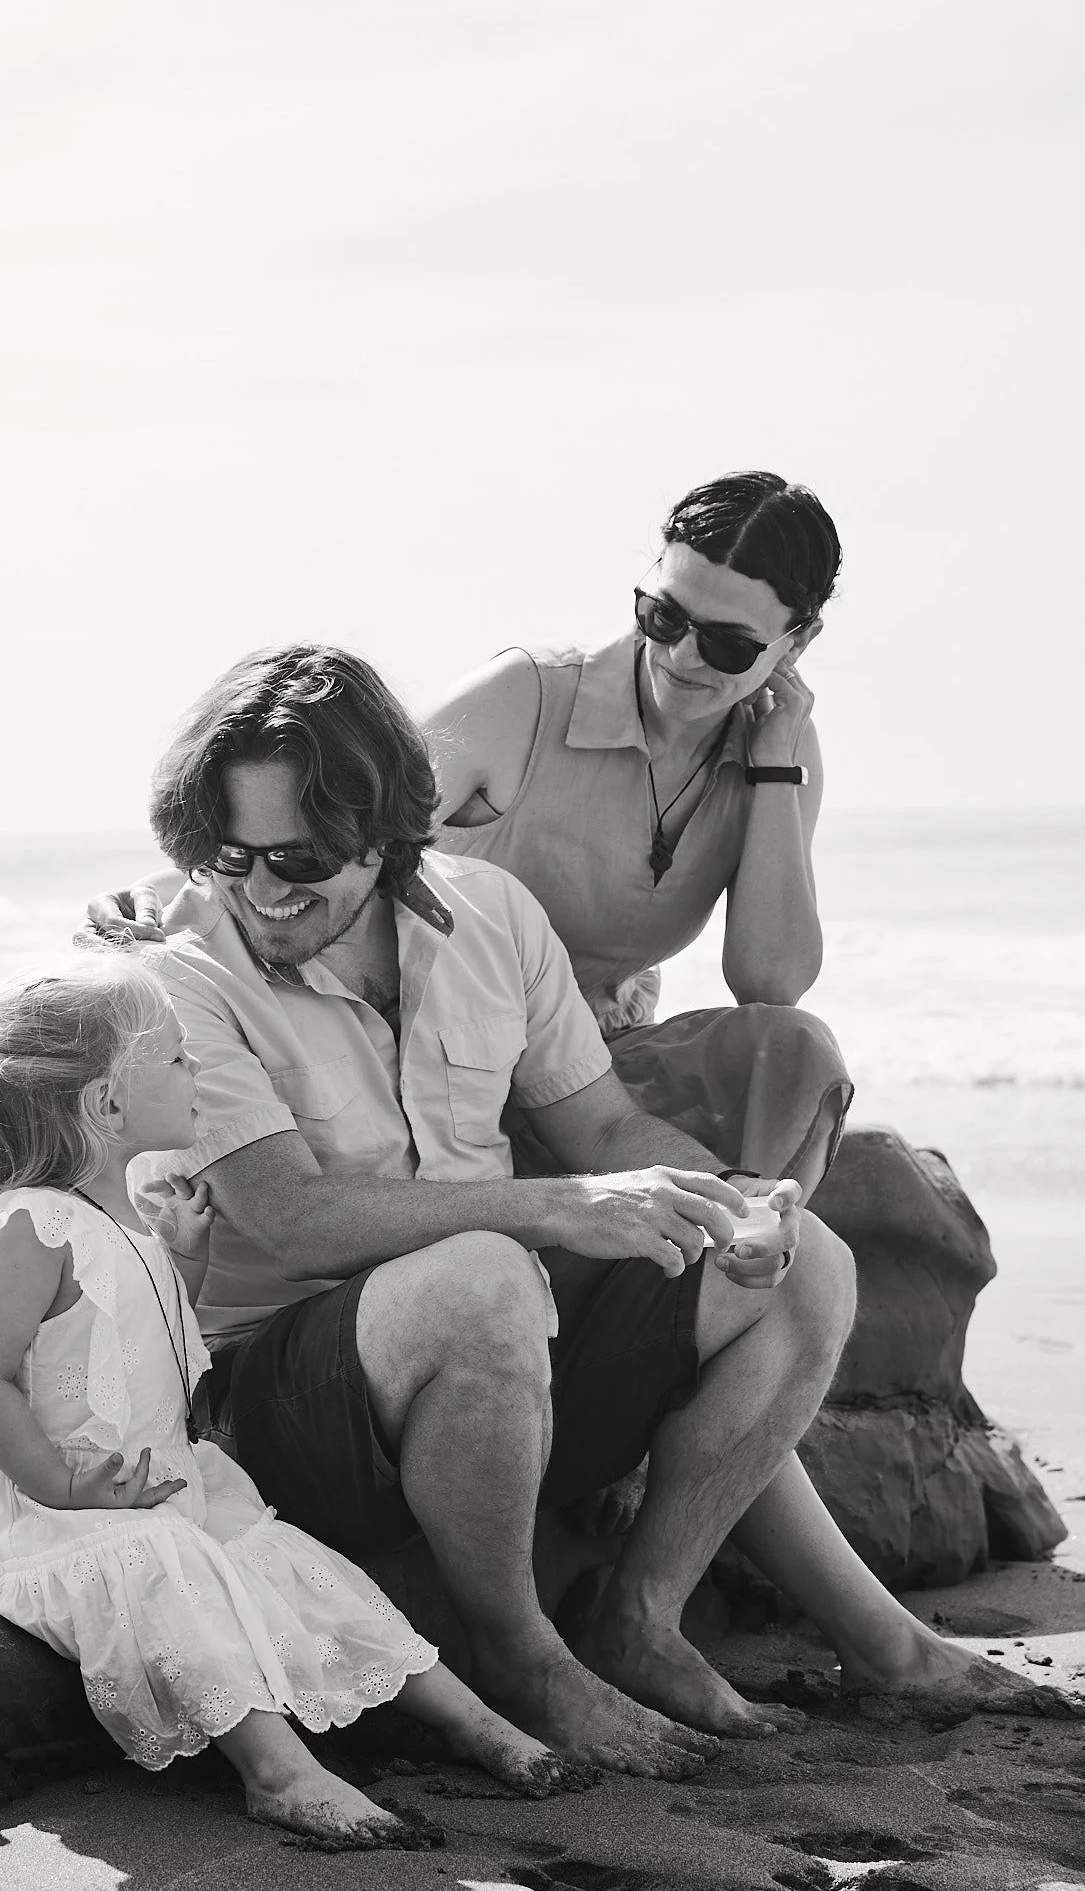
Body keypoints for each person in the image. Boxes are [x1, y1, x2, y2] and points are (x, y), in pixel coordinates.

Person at [103, 644, 1007, 1772]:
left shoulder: (493, 917)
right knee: (483, 1268)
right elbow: (289, 1215)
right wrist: (563, 1207)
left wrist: (732, 1202)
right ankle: (521, 1650)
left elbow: (608, 1131)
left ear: (387, 834)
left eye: (301, 857)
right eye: (232, 855)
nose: (264, 890)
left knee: (806, 1260)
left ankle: (641, 1620)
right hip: (272, 1397)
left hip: (501, 1368)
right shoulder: (175, 970)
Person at [0, 956, 591, 1851]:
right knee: (166, 1562)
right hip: (42, 1509)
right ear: (110, 1106)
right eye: (179, 1061)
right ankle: (280, 1772)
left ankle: (469, 1720)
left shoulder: (129, 1227)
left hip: (148, 1482)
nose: (199, 1076)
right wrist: (62, 1483)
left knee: (278, 1555)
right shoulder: (33, 1225)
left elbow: (133, 1345)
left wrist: (183, 1259)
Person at [87, 470, 849, 1199]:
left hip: (590, 1069)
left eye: (728, 645)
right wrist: (162, 896)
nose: (680, 656)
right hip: (449, 1052)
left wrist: (776, 765)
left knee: (796, 1052)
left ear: (797, 640)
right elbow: (320, 826)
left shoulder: (773, 753)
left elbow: (770, 983)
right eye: (663, 616)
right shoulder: (524, 697)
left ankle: (745, 1248)